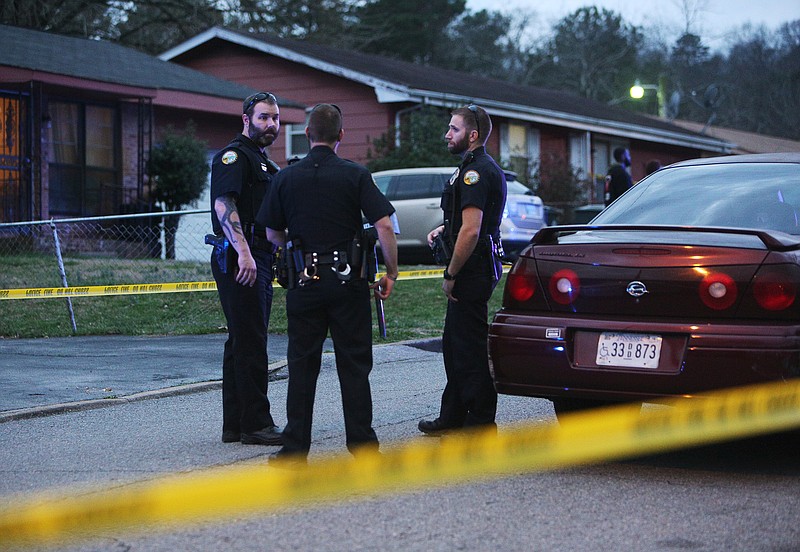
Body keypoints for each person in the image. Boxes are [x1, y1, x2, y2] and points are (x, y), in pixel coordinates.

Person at [258, 103, 399, 462]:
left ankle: (294, 452)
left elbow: (272, 232)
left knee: (302, 368)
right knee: (353, 366)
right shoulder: (355, 175)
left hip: (304, 284)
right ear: (341, 136)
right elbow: (383, 225)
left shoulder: (285, 178)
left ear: (307, 134)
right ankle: (364, 449)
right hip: (348, 284)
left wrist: (297, 244)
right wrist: (391, 272)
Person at [418, 104, 506, 436]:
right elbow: (466, 223)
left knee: (468, 348)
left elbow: (472, 230)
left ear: (472, 135)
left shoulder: (476, 171)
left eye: (453, 129)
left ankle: (481, 422)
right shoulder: (471, 167)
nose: (447, 134)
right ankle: (452, 416)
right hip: (474, 265)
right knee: (455, 345)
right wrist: (444, 229)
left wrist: (451, 274)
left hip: (472, 271)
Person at [209, 92, 283, 446]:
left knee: (242, 339)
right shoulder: (234, 156)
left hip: (260, 254)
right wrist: (244, 253)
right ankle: (256, 423)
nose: (271, 125)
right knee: (252, 339)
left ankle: (235, 424)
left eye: (275, 119)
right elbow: (225, 203)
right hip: (243, 256)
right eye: (264, 117)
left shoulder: (262, 161)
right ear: (246, 119)